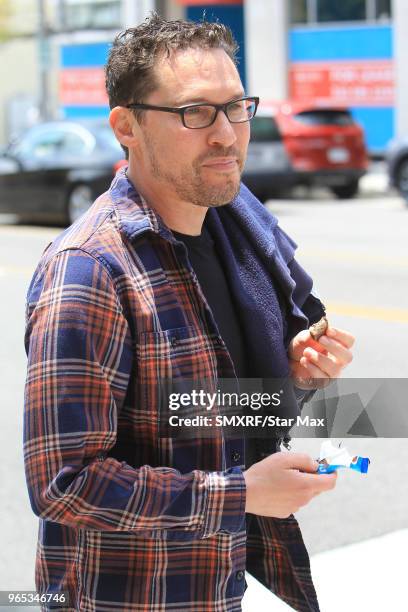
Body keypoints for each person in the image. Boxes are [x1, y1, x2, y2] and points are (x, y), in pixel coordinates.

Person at [23, 13, 354, 612]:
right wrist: (241, 494)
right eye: (195, 112)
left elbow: (192, 417)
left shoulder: (234, 242)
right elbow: (62, 484)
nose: (227, 135)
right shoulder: (91, 270)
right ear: (126, 125)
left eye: (236, 107)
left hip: (213, 589)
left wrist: (293, 382)